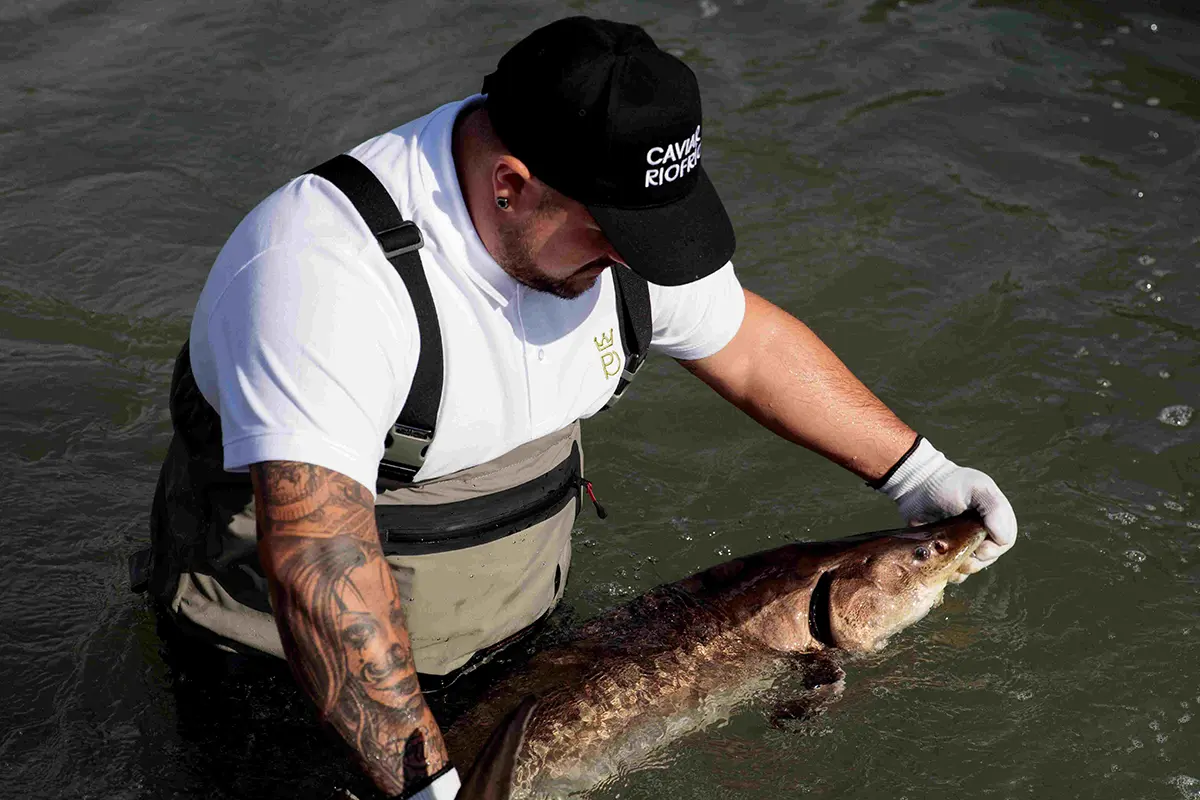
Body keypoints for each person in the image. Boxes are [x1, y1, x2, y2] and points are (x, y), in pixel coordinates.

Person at [137, 16, 1017, 800]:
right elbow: (316, 557)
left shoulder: (610, 228)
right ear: (511, 185)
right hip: (293, 667)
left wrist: (919, 472)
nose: (636, 261)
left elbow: (745, 343)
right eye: (614, 235)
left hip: (515, 629)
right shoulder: (322, 275)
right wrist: (425, 785)